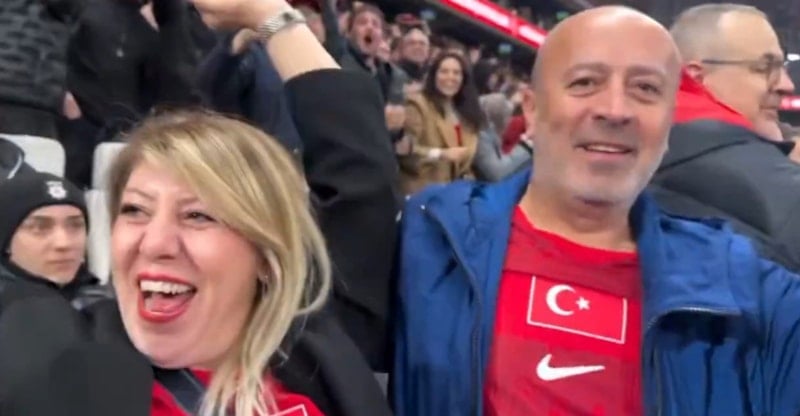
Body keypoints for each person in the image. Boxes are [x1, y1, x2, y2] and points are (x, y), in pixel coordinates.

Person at [393, 6, 800, 416]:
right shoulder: (432, 236)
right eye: (585, 82)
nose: (615, 110)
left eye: (645, 89)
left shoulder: (744, 287)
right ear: (532, 108)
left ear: (669, 120)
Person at [650, 3, 800, 271]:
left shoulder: (639, 153)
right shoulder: (752, 171)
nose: (786, 85)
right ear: (697, 76)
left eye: (782, 66)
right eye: (764, 67)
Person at [0, 172, 109, 311]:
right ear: (6, 241)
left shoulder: (110, 308)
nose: (63, 243)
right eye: (40, 228)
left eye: (75, 225)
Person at [399, 52, 485, 195]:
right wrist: (440, 154)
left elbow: (462, 166)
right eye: (444, 71)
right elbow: (405, 152)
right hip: (420, 194)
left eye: (456, 73)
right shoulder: (417, 104)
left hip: (451, 197)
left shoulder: (467, 113)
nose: (450, 77)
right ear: (434, 75)